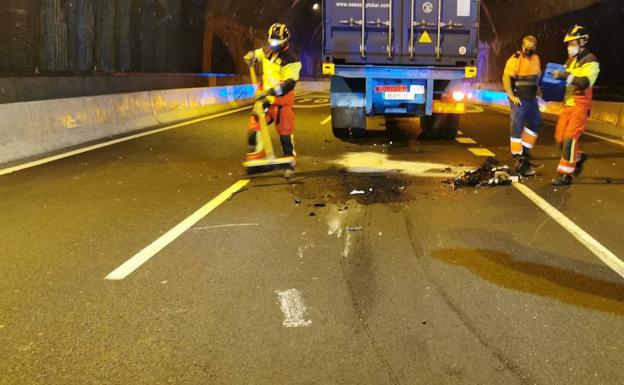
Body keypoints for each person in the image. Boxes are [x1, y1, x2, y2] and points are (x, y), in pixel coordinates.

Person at [245, 23, 302, 176]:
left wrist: (270, 91)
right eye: (271, 41)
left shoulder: (292, 60)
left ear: (285, 41)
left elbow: (289, 84)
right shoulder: (268, 50)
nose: (273, 45)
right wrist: (251, 56)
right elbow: (257, 54)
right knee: (254, 124)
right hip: (265, 100)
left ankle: (288, 161)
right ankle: (257, 156)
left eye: (277, 42)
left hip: (282, 102)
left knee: (285, 132)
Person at [551, 25, 600, 186]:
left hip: (581, 105)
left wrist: (565, 75)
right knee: (559, 139)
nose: (570, 47)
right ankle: (577, 157)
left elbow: (585, 82)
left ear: (583, 41)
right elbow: (563, 82)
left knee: (569, 140)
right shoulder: (570, 61)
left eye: (572, 43)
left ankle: (565, 175)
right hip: (568, 105)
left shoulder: (591, 61)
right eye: (568, 44)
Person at [502, 35, 542, 176]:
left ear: (535, 48)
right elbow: (506, 77)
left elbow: (537, 77)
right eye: (527, 48)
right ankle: (517, 155)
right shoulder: (515, 59)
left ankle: (525, 150)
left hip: (531, 98)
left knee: (536, 122)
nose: (529, 51)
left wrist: (541, 91)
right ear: (522, 46)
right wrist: (512, 96)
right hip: (519, 99)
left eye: (532, 48)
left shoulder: (536, 59)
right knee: (517, 125)